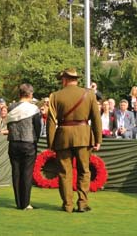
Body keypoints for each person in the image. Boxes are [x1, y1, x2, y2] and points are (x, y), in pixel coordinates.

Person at [47, 68, 102, 213]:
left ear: (64, 79)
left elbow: (51, 122)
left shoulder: (55, 96)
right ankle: (82, 204)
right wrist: (98, 139)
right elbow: (96, 118)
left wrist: (51, 143)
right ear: (76, 79)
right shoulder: (89, 94)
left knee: (65, 172)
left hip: (63, 136)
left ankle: (67, 205)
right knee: (84, 170)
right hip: (84, 136)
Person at [6, 83, 42, 210]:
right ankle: (26, 203)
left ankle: (18, 202)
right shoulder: (33, 109)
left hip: (13, 142)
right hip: (28, 142)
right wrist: (36, 139)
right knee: (27, 173)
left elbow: (8, 125)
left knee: (16, 172)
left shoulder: (11, 107)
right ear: (30, 94)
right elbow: (38, 127)